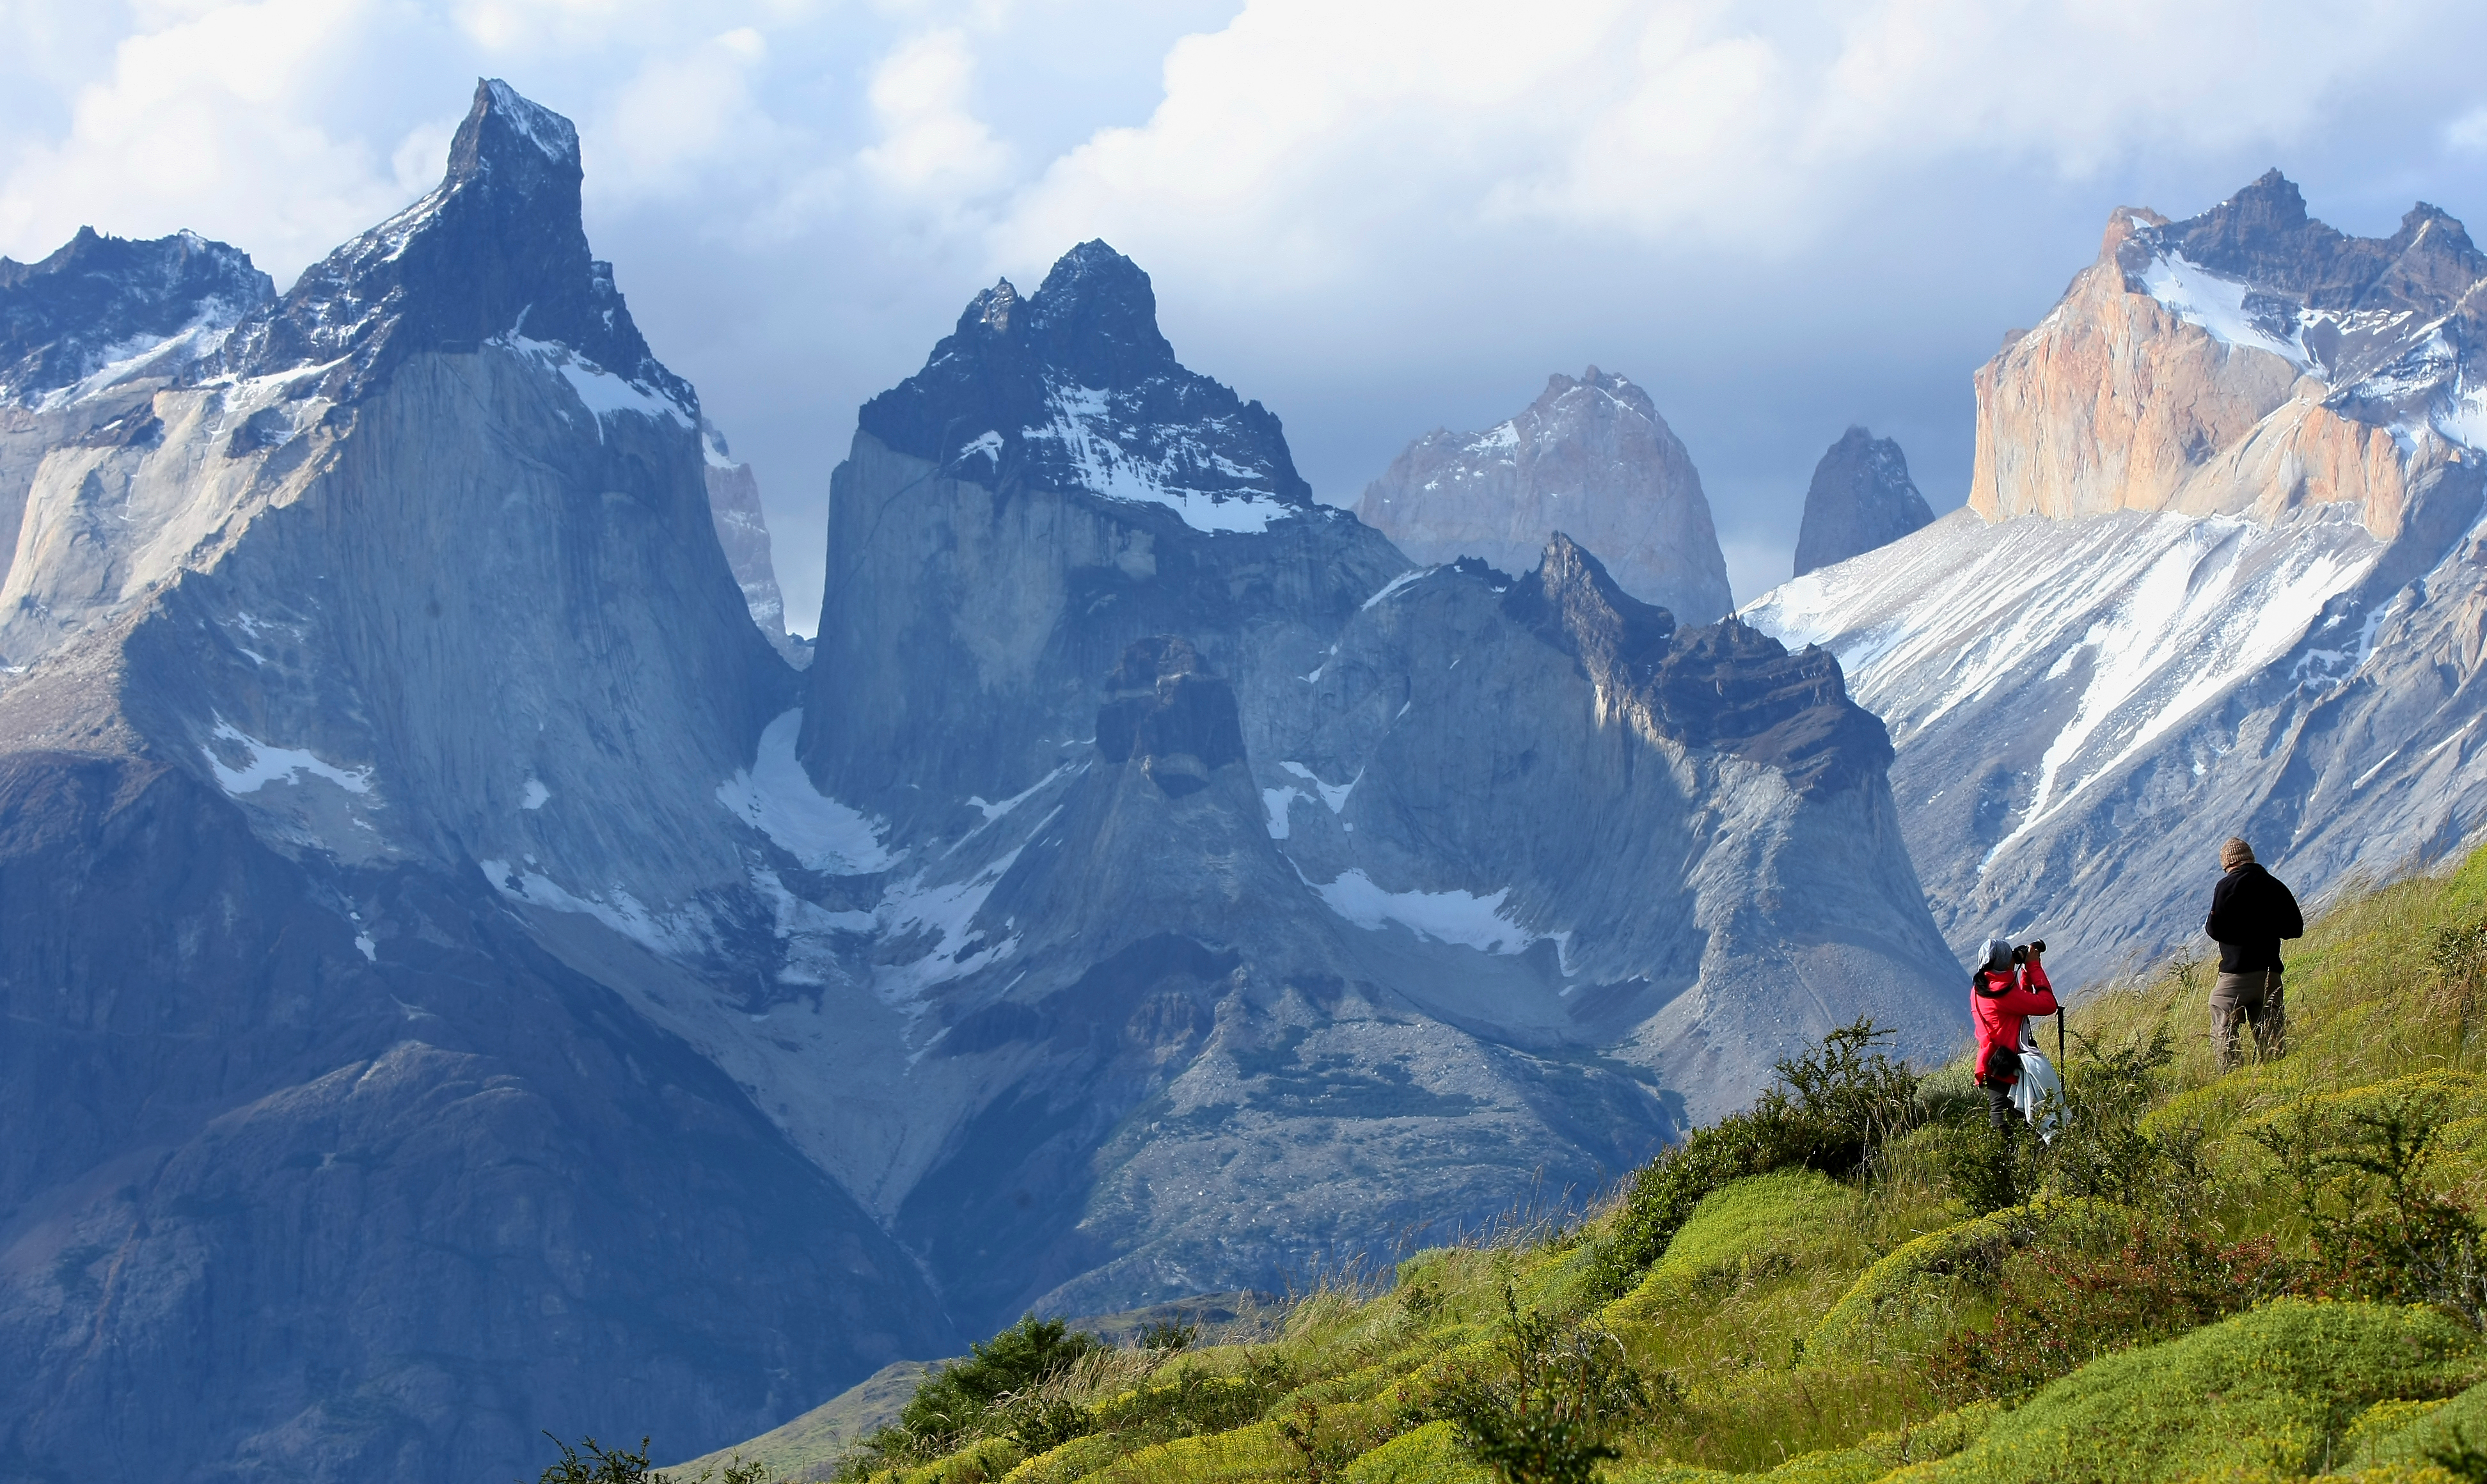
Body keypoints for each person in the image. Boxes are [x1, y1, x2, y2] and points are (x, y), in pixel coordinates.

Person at [2204, 836, 2302, 1071]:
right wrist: (2266, 927)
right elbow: (2295, 929)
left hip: (2237, 973)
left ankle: (2233, 1074)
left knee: (2222, 1019)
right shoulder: (2275, 885)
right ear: (2250, 858)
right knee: (2270, 1030)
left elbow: (2215, 929)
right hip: (2270, 972)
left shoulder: (2226, 886)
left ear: (2228, 864)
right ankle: (2275, 1074)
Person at [1970, 937, 2058, 1132]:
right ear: (2003, 962)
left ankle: (2002, 1159)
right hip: (2011, 1066)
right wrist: (2034, 967)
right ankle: (2019, 1159)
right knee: (2020, 1123)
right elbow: (2048, 1005)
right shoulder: (2002, 993)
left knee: (2002, 1119)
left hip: (1994, 1062)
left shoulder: (1981, 989)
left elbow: (2020, 1003)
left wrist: (2024, 973)